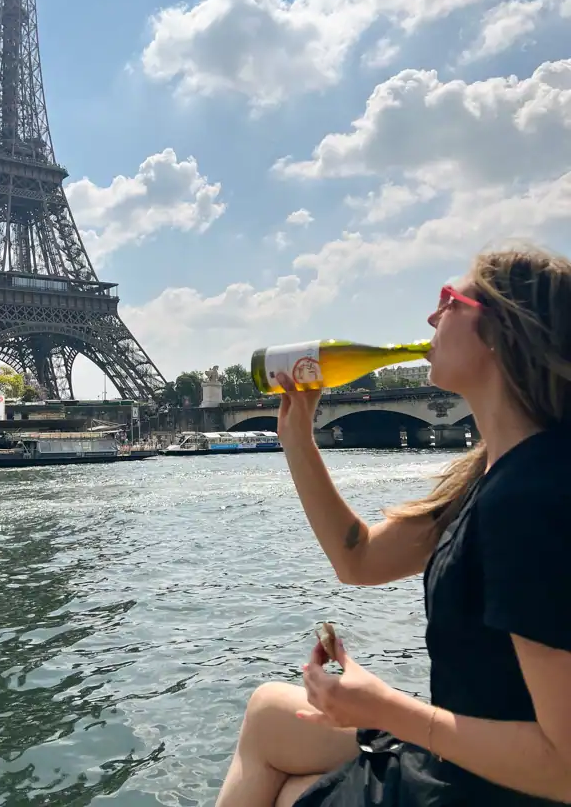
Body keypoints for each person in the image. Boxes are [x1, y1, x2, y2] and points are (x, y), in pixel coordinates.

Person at [216, 246, 571, 807]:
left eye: (448, 302)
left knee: (287, 792)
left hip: (492, 785)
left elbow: (565, 767)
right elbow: (358, 559)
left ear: (504, 331)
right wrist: (298, 441)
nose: (430, 318)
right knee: (268, 714)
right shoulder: (492, 476)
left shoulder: (529, 500)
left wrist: (383, 708)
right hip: (468, 758)